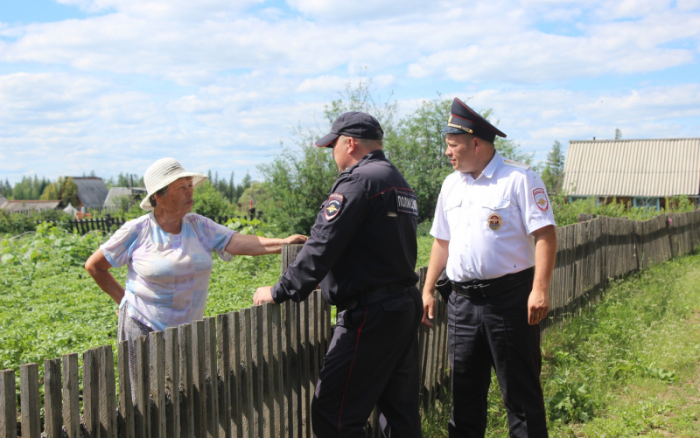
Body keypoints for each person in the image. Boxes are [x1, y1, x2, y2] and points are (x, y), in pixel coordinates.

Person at [253, 112, 423, 438]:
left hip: (371, 313)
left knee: (334, 413)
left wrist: (280, 290)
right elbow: (374, 246)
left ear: (349, 142)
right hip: (401, 305)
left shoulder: (358, 182)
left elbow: (321, 243)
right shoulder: (397, 180)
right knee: (398, 413)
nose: (332, 154)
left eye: (332, 146)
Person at [84, 157, 307, 388]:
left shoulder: (199, 225)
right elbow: (95, 266)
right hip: (144, 327)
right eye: (181, 187)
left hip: (188, 329)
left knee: (184, 395)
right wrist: (124, 301)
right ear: (158, 197)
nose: (190, 192)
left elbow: (237, 241)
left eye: (190, 186)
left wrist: (283, 243)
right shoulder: (137, 230)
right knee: (145, 401)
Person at [421, 98, 557, 438]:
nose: (447, 153)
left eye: (453, 145)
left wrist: (539, 289)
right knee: (464, 397)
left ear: (476, 143)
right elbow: (442, 241)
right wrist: (428, 287)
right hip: (462, 304)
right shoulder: (451, 184)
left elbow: (545, 236)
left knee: (521, 396)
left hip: (509, 301)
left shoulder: (519, 179)